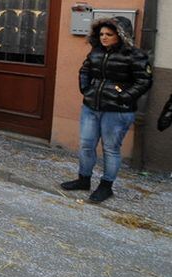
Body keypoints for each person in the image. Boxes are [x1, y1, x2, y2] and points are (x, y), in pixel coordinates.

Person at [60, 17, 153, 203]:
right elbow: (84, 71)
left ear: (121, 35)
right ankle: (83, 179)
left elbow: (144, 81)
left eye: (109, 34)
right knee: (86, 144)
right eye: (101, 34)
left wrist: (123, 97)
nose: (104, 37)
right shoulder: (96, 52)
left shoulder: (135, 55)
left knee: (110, 149)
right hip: (91, 107)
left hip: (117, 111)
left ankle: (106, 186)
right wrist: (86, 90)